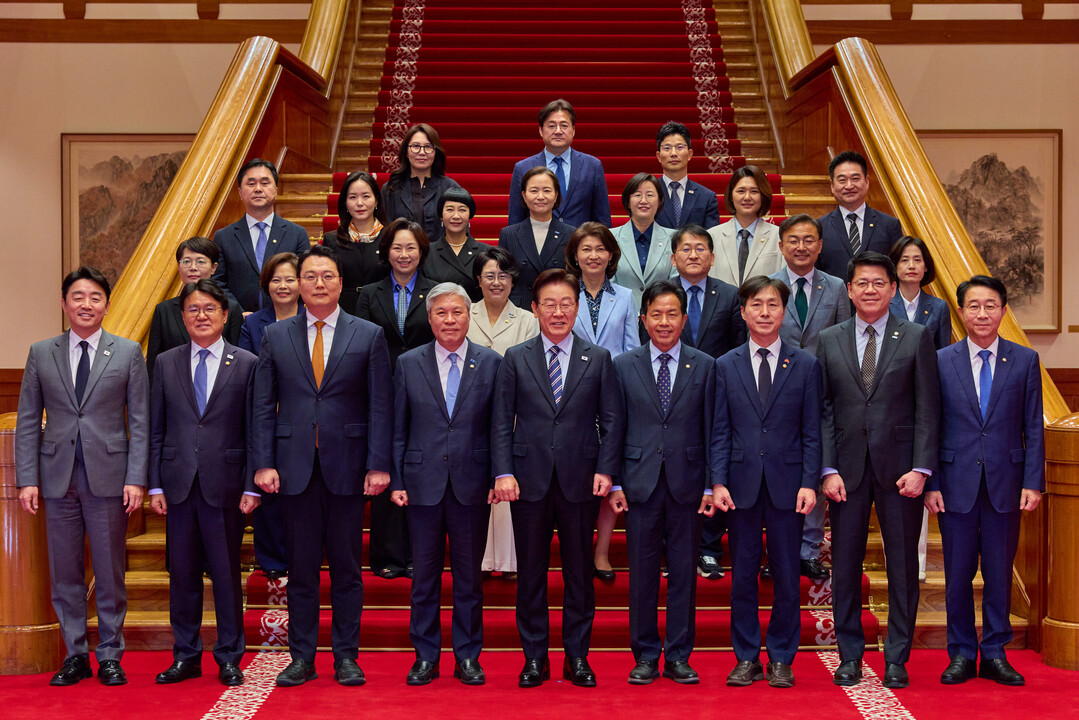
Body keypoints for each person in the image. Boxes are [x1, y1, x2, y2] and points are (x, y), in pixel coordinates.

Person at [253, 244, 393, 687]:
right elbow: (262, 406)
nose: (317, 283)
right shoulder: (276, 336)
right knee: (302, 569)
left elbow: (380, 406)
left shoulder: (367, 334)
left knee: (348, 571)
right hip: (293, 468)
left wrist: (378, 464)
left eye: (326, 276)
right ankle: (302, 657)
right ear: (297, 284)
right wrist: (263, 463)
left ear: (340, 283)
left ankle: (346, 657)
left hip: (349, 468)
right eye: (308, 276)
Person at [15, 266, 149, 687]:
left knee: (110, 571)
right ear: (64, 303)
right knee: (65, 571)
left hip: (110, 477)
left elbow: (141, 422)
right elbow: (25, 421)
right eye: (78, 297)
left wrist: (136, 477)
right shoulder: (41, 352)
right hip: (56, 479)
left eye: (94, 297)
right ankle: (75, 654)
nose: (86, 304)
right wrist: (27, 478)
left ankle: (110, 654)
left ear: (106, 305)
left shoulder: (127, 352)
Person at [491, 269, 624, 688]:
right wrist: (503, 471)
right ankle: (534, 657)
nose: (558, 311)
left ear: (578, 307)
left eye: (567, 303)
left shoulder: (598, 358)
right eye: (549, 304)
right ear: (534, 309)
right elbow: (500, 422)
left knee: (579, 574)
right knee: (529, 573)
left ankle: (577, 657)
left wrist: (606, 469)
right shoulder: (516, 358)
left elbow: (613, 421)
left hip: (581, 480)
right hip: (527, 480)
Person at [817, 251, 940, 689]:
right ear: (849, 290)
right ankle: (849, 655)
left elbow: (928, 407)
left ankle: (897, 659)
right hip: (845, 473)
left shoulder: (917, 336)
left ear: (892, 289)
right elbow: (824, 410)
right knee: (845, 565)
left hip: (900, 472)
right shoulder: (829, 339)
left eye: (878, 283)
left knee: (903, 566)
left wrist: (922, 468)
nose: (870, 290)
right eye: (861, 283)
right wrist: (827, 468)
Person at [927, 275, 1043, 687]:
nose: (982, 313)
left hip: (1006, 484)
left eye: (990, 305)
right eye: (973, 306)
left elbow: (1033, 424)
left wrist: (1033, 481)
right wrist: (932, 482)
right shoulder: (941, 360)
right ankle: (960, 653)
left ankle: (994, 652)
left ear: (1003, 311)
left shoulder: (1025, 360)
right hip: (953, 483)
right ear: (960, 312)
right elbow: (931, 426)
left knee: (998, 573)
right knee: (958, 574)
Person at [390, 283, 503, 687]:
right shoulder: (408, 362)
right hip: (421, 484)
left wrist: (498, 474)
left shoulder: (490, 363)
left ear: (468, 316)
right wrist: (397, 478)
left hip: (472, 484)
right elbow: (398, 427)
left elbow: (499, 427)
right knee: (424, 577)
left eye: (457, 312)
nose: (450, 320)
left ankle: (468, 656)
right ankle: (425, 655)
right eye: (441, 313)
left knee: (469, 578)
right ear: (430, 318)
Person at [148, 279, 260, 687]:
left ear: (225, 315)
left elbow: (254, 430)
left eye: (210, 308)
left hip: (226, 485)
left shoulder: (246, 362)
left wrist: (251, 486)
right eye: (193, 309)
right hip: (177, 485)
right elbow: (156, 429)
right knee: (183, 574)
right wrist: (154, 485)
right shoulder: (165, 362)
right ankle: (186, 655)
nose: (202, 316)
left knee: (227, 574)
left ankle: (230, 656)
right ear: (182, 317)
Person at [711, 276, 821, 689]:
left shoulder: (806, 365)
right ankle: (745, 656)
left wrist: (810, 481)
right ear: (743, 312)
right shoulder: (725, 364)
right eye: (756, 305)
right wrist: (717, 481)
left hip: (788, 485)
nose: (764, 312)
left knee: (787, 574)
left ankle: (781, 657)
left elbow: (812, 431)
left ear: (784, 311)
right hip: (738, 486)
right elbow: (719, 429)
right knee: (742, 574)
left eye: (773, 305)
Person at [609, 280, 716, 686]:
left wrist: (710, 485)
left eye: (673, 314)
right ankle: (645, 656)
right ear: (643, 319)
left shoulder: (705, 365)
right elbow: (613, 428)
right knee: (642, 574)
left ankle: (679, 656)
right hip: (639, 484)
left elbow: (712, 430)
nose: (665, 321)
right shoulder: (623, 365)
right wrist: (616, 482)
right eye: (657, 314)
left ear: (685, 319)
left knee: (685, 574)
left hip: (689, 485)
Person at [770, 214, 850, 581]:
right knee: (777, 471)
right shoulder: (767, 288)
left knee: (816, 467)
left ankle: (809, 549)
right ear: (781, 244)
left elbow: (847, 338)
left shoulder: (837, 288)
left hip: (824, 390)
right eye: (793, 240)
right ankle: (775, 551)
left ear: (820, 245)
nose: (800, 247)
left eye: (808, 240)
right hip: (776, 392)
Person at [356, 218, 434, 580]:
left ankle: (418, 553)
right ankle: (387, 554)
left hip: (426, 390)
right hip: (380, 392)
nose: (404, 254)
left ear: (422, 251)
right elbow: (361, 347)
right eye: (397, 248)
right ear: (386, 252)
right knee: (385, 468)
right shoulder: (369, 294)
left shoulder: (436, 292)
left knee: (418, 471)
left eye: (411, 248)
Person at [565, 222, 640, 581]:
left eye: (600, 249)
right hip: (571, 393)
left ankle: (602, 551)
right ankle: (577, 546)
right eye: (586, 249)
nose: (593, 256)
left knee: (610, 472)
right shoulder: (564, 293)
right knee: (579, 472)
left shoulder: (625, 296)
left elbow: (629, 347)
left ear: (610, 255)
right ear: (575, 256)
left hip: (614, 391)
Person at [669, 224, 743, 580]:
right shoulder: (664, 297)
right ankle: (675, 547)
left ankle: (710, 547)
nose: (694, 254)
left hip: (719, 392)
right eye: (686, 249)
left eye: (701, 249)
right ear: (673, 258)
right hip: (672, 393)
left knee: (717, 466)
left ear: (713, 258)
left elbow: (737, 346)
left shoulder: (729, 296)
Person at [466, 247, 540, 578]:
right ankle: (480, 558)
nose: (497, 282)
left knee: (507, 487)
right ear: (478, 280)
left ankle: (509, 562)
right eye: (490, 276)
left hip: (513, 415)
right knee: (476, 487)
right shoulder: (465, 313)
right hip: (469, 413)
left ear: (513, 281)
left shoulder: (527, 320)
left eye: (503, 276)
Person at [889, 235, 953, 582]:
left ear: (926, 267)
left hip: (922, 399)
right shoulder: (884, 301)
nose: (911, 266)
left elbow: (942, 355)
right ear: (895, 267)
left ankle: (918, 565)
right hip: (891, 400)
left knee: (919, 487)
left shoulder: (938, 307)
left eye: (917, 260)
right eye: (904, 260)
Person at [237, 252, 302, 581]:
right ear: (266, 284)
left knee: (301, 491)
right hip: (264, 416)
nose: (283, 285)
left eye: (290, 279)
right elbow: (248, 369)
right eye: (276, 279)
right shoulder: (252, 323)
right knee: (267, 488)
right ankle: (272, 557)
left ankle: (302, 554)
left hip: (303, 418)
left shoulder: (312, 319)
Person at [212, 158, 310, 312]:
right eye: (251, 184)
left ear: (276, 190)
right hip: (240, 324)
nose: (258, 188)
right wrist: (238, 314)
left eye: (265, 183)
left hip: (285, 321)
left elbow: (305, 279)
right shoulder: (224, 237)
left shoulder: (297, 234)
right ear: (240, 192)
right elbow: (218, 283)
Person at [146, 236, 243, 384]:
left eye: (200, 261)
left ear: (214, 268)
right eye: (186, 261)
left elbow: (237, 357)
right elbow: (153, 366)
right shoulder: (163, 310)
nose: (193, 267)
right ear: (178, 267)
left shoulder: (230, 308)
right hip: (175, 392)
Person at [508, 98, 611, 228]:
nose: (558, 131)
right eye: (551, 126)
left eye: (564, 125)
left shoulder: (592, 166)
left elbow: (602, 219)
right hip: (538, 246)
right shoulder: (523, 168)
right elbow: (515, 221)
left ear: (573, 130)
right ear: (541, 130)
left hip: (579, 245)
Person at [816, 150, 903, 279]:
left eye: (855, 179)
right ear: (832, 186)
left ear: (867, 181)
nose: (849, 186)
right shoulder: (819, 227)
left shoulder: (889, 225)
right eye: (842, 180)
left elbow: (897, 272)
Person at [498, 166, 574, 309]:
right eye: (534, 191)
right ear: (524, 195)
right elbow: (502, 279)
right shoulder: (509, 234)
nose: (540, 196)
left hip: (557, 310)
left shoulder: (571, 234)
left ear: (556, 195)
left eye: (547, 191)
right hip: (519, 312)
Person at [321, 171, 390, 314]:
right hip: (343, 311)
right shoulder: (332, 240)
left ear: (376, 200)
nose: (360, 203)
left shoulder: (390, 237)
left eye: (366, 196)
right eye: (353, 197)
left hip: (382, 310)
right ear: (345, 203)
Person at [381, 123, 462, 241]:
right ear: (406, 152)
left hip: (442, 257)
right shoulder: (391, 189)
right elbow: (384, 231)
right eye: (416, 146)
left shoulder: (450, 188)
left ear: (435, 152)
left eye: (428, 147)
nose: (422, 152)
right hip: (401, 256)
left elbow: (460, 231)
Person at [708, 165, 783, 287]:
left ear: (763, 195)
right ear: (731, 196)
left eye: (754, 191)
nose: (747, 197)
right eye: (741, 191)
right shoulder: (712, 236)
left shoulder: (778, 236)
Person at [611, 172, 677, 311]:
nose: (643, 200)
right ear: (627, 202)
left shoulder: (673, 239)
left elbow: (676, 283)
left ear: (659, 201)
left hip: (662, 317)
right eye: (637, 195)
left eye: (650, 195)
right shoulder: (610, 238)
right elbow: (608, 282)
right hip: (620, 315)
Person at [653, 121, 720, 230]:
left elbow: (711, 239)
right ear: (659, 156)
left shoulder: (706, 197)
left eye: (679, 147)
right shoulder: (649, 194)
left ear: (689, 154)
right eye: (667, 148)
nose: (673, 153)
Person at [423, 187, 485, 301]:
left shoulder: (485, 252)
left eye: (462, 210)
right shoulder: (427, 252)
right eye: (450, 209)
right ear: (441, 215)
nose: (456, 216)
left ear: (470, 215)